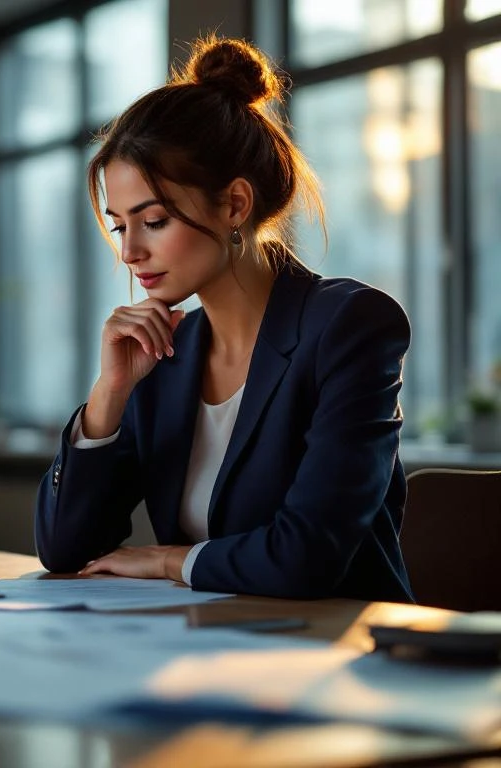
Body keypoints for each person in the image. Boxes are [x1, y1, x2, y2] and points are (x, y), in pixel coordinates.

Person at [34, 35, 413, 603]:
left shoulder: (349, 325)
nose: (129, 252)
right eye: (120, 225)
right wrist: (108, 395)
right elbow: (65, 549)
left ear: (235, 205)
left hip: (334, 656)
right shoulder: (163, 352)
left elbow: (305, 557)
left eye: (154, 220)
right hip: (199, 648)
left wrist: (168, 559)